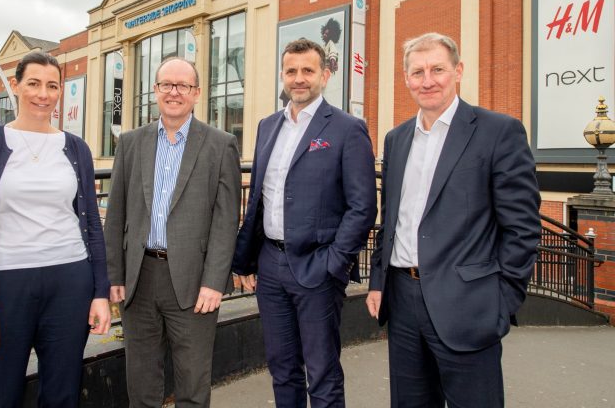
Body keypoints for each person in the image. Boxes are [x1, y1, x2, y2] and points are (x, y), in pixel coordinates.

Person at [366, 32, 540, 407]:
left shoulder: (498, 132)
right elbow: (391, 220)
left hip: (468, 306)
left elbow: (523, 228)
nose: (427, 80)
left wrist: (502, 301)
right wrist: (378, 281)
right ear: (406, 79)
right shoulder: (396, 140)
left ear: (458, 71)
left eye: (437, 69)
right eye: (417, 72)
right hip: (403, 302)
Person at [0, 51, 111, 407]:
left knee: (62, 393)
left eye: (52, 86)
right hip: (6, 283)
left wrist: (100, 291)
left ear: (60, 92)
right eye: (34, 83)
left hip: (70, 281)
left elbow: (90, 224)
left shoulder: (76, 149)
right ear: (16, 86)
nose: (43, 93)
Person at [233, 38, 377, 408]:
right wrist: (247, 259)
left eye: (308, 71)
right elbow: (260, 201)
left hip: (317, 268)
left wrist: (335, 263)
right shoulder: (268, 126)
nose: (299, 79)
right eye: (291, 71)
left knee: (323, 374)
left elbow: (362, 207)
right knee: (282, 369)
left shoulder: (347, 128)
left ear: (325, 75)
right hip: (270, 266)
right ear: (283, 75)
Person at [104, 57, 241, 408]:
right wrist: (114, 274)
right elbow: (116, 213)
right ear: (155, 91)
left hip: (194, 283)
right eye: (166, 84)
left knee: (193, 387)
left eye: (182, 86)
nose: (174, 92)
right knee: (142, 386)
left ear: (196, 93)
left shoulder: (220, 144)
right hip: (139, 278)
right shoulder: (131, 143)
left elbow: (226, 222)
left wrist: (214, 281)